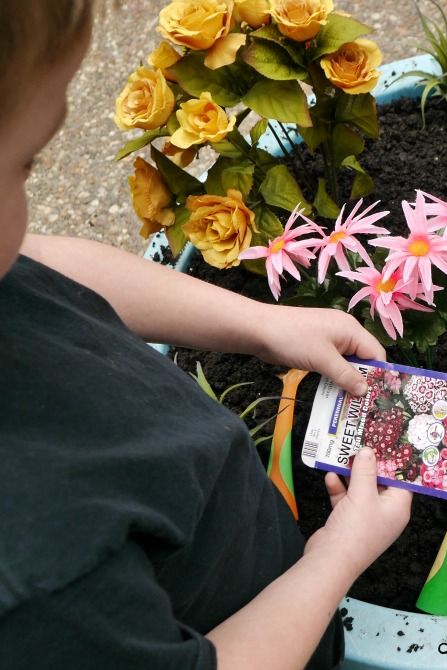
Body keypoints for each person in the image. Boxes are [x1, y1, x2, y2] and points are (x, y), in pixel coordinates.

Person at [0, 2, 412, 668]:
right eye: (28, 164)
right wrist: (337, 557)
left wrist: (264, 323)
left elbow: (45, 265)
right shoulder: (40, 589)